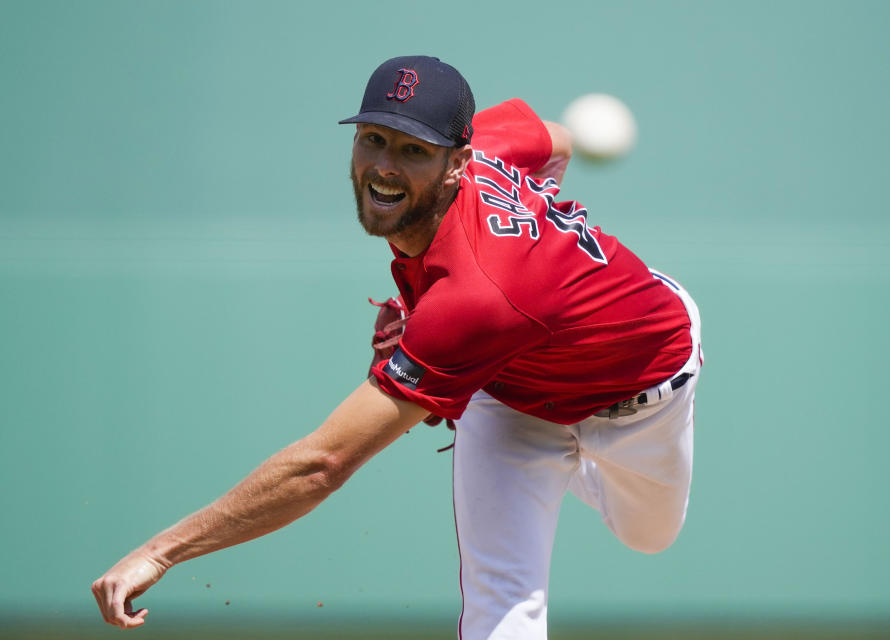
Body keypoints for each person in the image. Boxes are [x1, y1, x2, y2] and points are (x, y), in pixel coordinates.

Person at [92, 55, 704, 640]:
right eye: (373, 139)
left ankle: (566, 451)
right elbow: (560, 139)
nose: (385, 165)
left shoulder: (478, 299)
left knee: (648, 536)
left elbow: (323, 464)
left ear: (458, 162)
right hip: (511, 394)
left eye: (413, 151)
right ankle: (497, 398)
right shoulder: (481, 154)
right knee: (502, 603)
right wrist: (520, 229)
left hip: (645, 392)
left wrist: (161, 551)